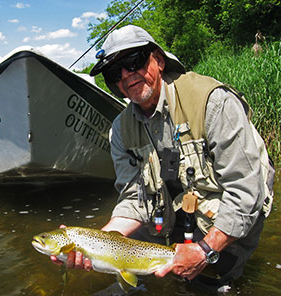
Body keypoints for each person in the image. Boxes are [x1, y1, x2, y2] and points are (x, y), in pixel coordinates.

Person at [51, 25, 274, 292]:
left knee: (207, 285)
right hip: (170, 210)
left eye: (133, 61)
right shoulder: (120, 131)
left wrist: (204, 251)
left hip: (233, 212)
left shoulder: (212, 103)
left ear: (158, 59)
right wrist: (95, 243)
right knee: (136, 279)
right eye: (114, 72)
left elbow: (245, 193)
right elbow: (134, 198)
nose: (125, 74)